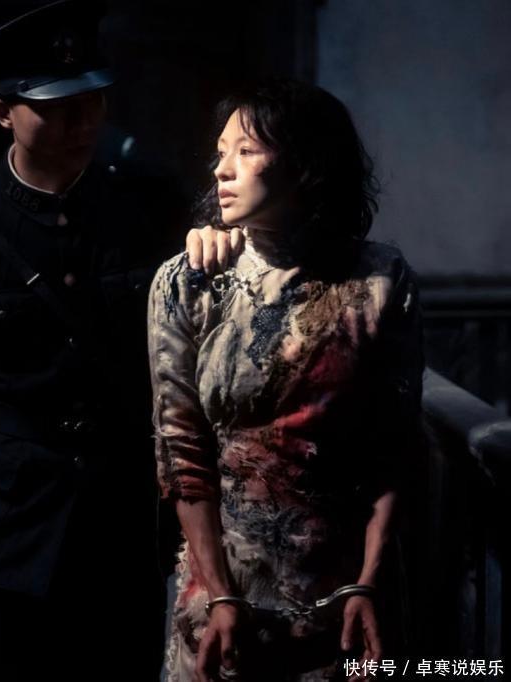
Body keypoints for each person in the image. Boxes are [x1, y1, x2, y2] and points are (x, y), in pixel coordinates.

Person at [0, 1, 238, 679]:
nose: (83, 123)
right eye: (58, 109)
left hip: (115, 522)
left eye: (93, 102)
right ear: (3, 112)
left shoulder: (148, 211)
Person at [148, 79, 425, 681]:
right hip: (224, 593)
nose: (222, 169)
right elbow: (180, 450)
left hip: (347, 592)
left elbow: (395, 446)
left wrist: (369, 581)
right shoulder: (190, 281)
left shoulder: (379, 280)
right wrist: (220, 594)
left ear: (304, 163)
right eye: (220, 152)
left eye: (246, 151)